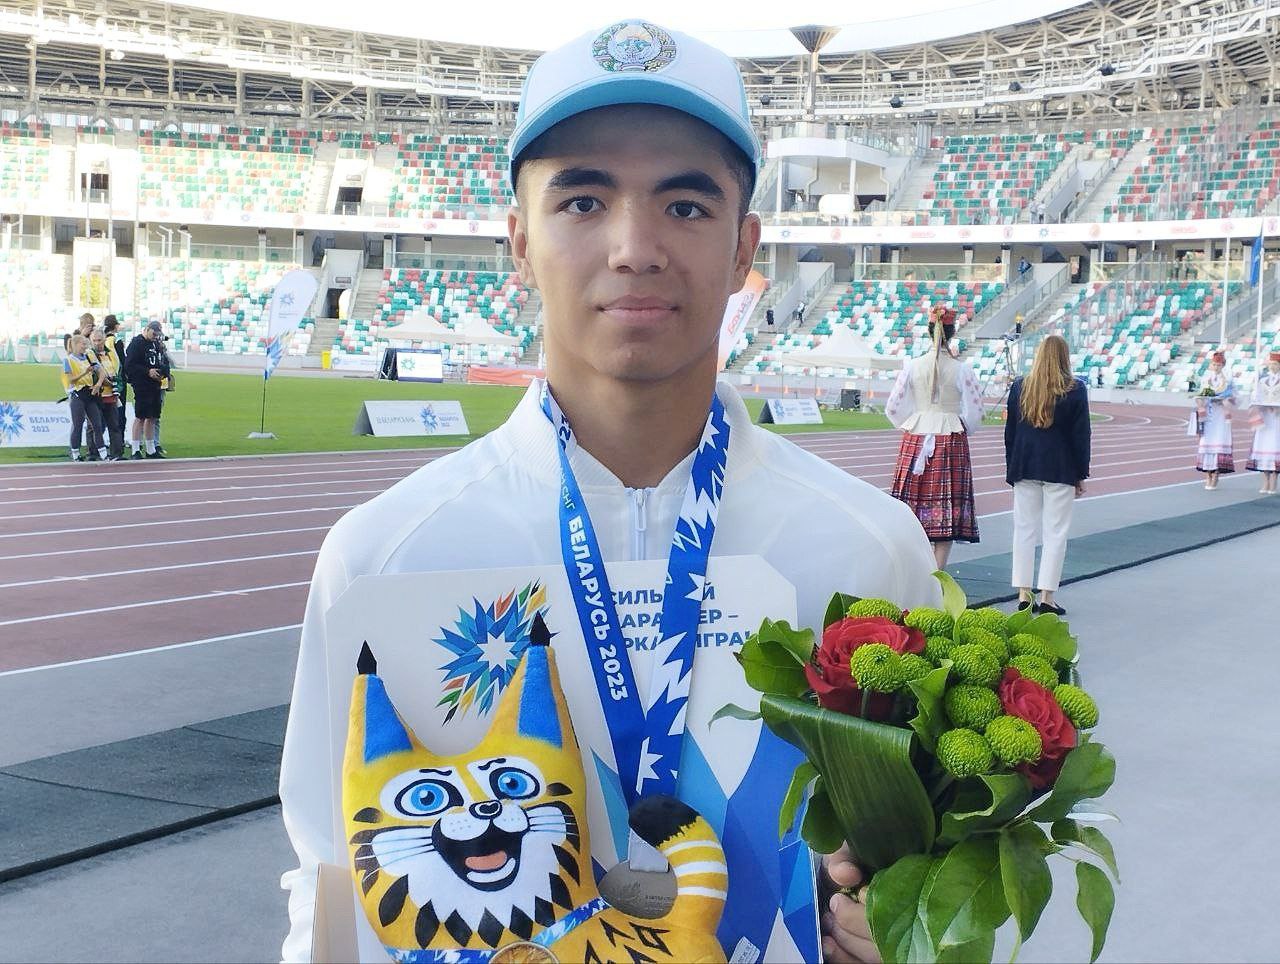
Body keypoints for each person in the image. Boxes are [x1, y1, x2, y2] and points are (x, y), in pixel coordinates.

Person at [277, 19, 940, 964]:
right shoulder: (387, 556)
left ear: (744, 248)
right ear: (519, 241)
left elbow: (929, 871)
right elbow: (329, 878)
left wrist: (910, 937)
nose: (635, 247)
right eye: (583, 201)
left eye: (686, 205)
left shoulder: (868, 549)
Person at [885, 304, 984, 569]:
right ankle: (937, 574)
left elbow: (893, 408)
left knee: (910, 509)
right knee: (946, 509)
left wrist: (914, 420)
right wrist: (960, 425)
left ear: (929, 331)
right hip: (950, 436)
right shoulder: (962, 370)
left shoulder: (912, 366)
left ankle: (916, 570)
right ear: (952, 333)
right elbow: (975, 411)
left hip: (916, 436)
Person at [1004, 334, 1091, 615]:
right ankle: (1047, 597)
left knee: (1024, 530)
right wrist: (1081, 473)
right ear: (1065, 357)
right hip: (1060, 468)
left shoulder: (1021, 387)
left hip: (1025, 465)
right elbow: (1081, 436)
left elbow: (1010, 433)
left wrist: (1011, 467)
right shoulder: (1075, 390)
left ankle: (1023, 594)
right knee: (1055, 533)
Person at [123, 320, 168, 459]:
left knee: (153, 416)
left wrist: (163, 372)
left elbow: (161, 361)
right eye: (154, 333)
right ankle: (135, 449)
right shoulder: (136, 343)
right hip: (142, 384)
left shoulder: (156, 344)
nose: (155, 336)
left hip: (155, 384)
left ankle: (150, 449)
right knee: (141, 416)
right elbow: (129, 365)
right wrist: (147, 371)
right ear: (147, 329)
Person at [61, 333, 109, 462]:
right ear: (76, 345)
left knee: (97, 424)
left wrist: (98, 384)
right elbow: (70, 379)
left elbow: (101, 371)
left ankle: (103, 453)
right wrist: (85, 372)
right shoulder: (68, 360)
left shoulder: (88, 356)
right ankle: (75, 453)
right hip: (77, 394)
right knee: (78, 424)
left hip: (89, 393)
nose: (85, 346)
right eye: (83, 344)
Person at [1192, 350, 1235, 489]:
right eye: (1214, 365)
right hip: (1209, 415)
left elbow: (1235, 398)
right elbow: (1202, 395)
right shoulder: (1206, 379)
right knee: (1206, 442)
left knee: (1219, 442)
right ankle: (1207, 474)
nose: (1216, 367)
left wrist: (1225, 400)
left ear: (1223, 365)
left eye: (1218, 365)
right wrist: (1201, 400)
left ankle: (1216, 474)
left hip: (1221, 415)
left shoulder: (1228, 380)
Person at [1247, 350, 1280, 494]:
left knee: (1275, 447)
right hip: (1265, 418)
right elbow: (1256, 397)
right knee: (1264, 448)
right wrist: (1257, 403)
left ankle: (1274, 481)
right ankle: (1265, 481)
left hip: (1277, 419)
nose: (1272, 366)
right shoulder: (1261, 381)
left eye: (1275, 364)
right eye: (1271, 364)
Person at [89, 327, 124, 459]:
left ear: (104, 340)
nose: (97, 343)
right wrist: (103, 382)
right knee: (94, 426)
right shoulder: (89, 354)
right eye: (94, 340)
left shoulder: (112, 354)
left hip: (111, 396)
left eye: (99, 340)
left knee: (114, 425)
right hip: (96, 396)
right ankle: (93, 453)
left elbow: (119, 373)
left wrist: (116, 387)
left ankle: (117, 453)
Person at [103, 315, 128, 440]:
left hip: (105, 379)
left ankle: (104, 439)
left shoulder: (102, 340)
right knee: (119, 409)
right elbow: (123, 361)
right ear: (116, 326)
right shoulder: (116, 341)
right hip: (118, 379)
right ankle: (119, 440)